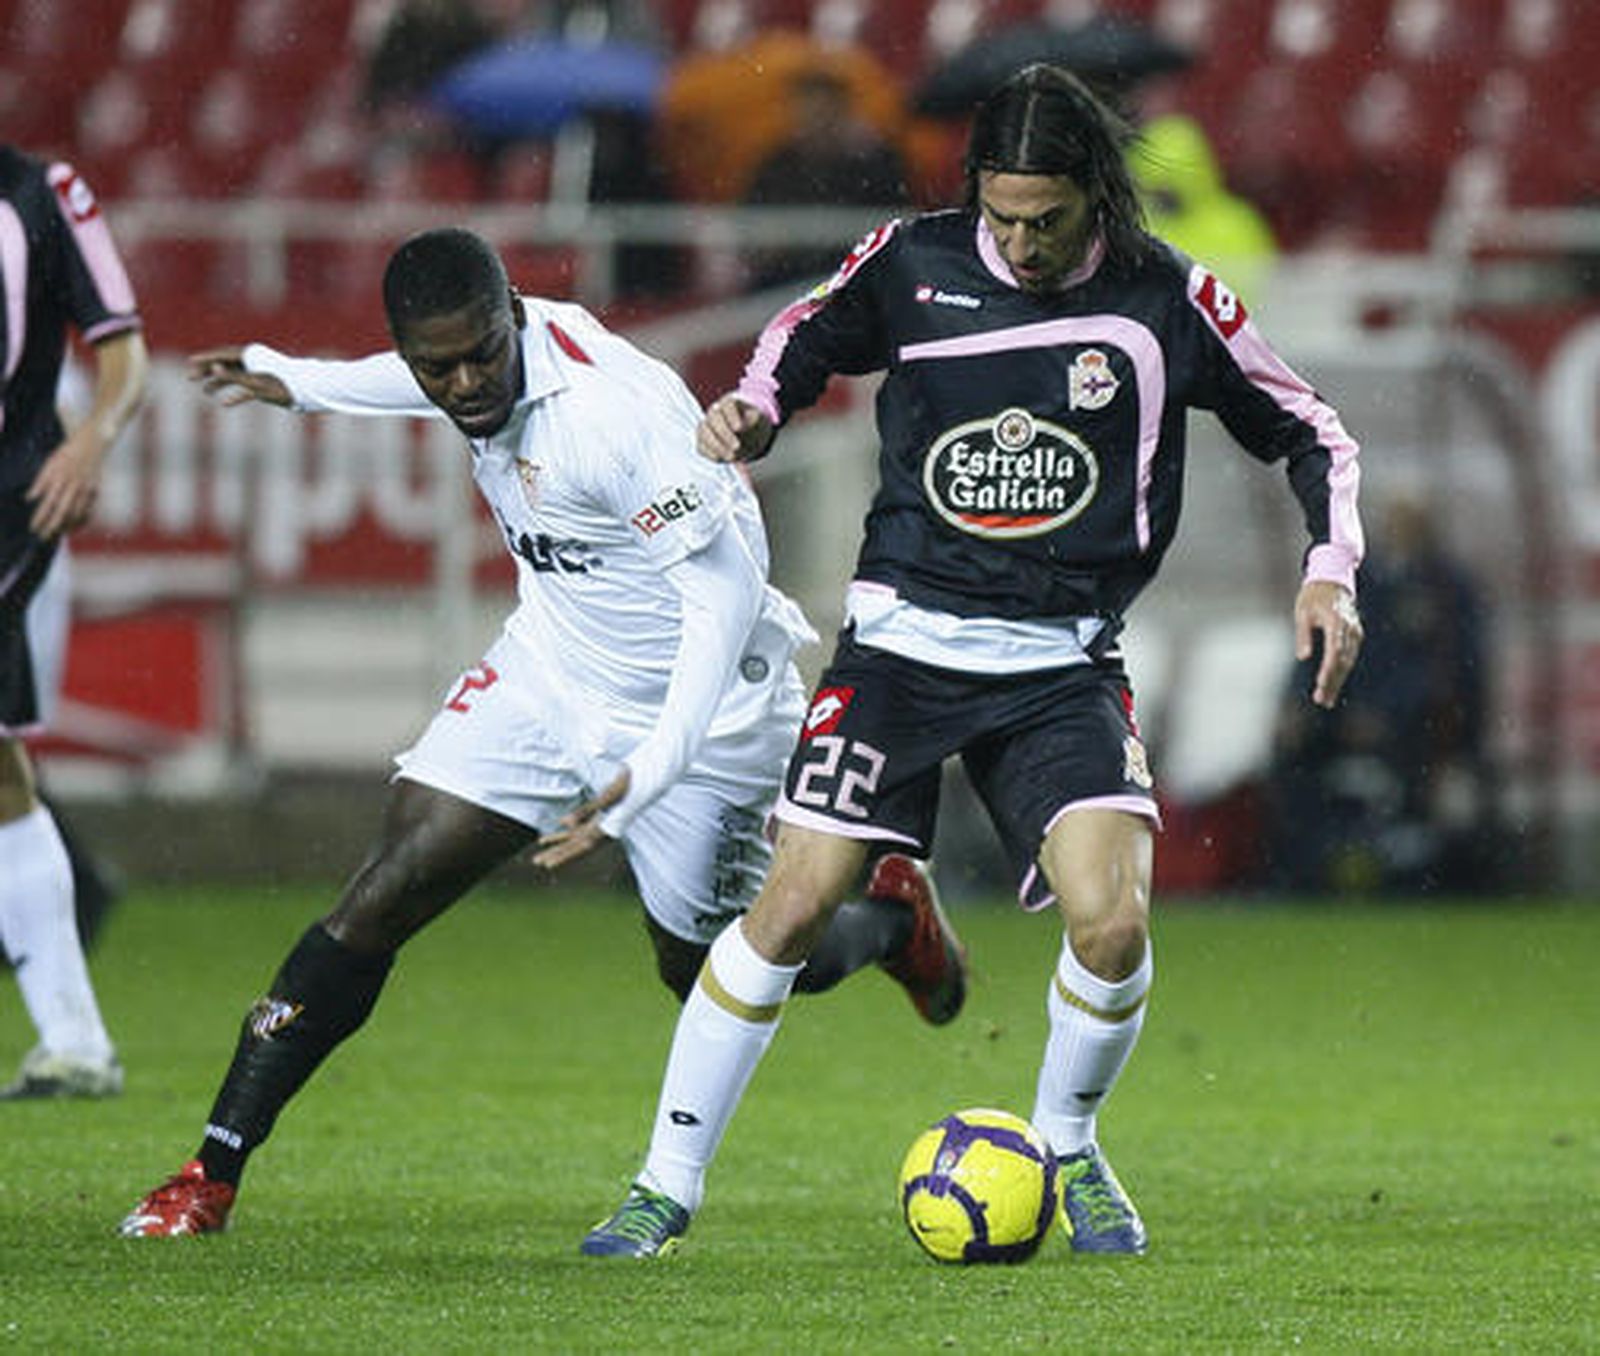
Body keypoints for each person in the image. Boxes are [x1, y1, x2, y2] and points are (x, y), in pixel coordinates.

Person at [580, 65, 1365, 1259]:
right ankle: (662, 1187)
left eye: (1044, 219)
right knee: (789, 906)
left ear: (1093, 195)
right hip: (899, 650)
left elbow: (1311, 429)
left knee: (1111, 928)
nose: (1019, 240)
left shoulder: (1168, 301)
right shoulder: (910, 261)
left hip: (1061, 668)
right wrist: (753, 408)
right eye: (1000, 214)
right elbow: (802, 334)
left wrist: (1330, 568)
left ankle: (1065, 1148)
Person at [118, 227, 965, 1237]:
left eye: (483, 351)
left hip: (703, 711)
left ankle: (882, 925)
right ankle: (209, 1173)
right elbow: (412, 374)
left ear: (514, 313)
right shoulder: (456, 362)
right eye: (441, 364)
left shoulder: (613, 418)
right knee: (383, 893)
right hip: (550, 672)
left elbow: (725, 599)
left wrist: (651, 771)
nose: (467, 381)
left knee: (705, 971)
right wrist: (290, 378)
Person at [1, 146, 147, 1100]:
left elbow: (124, 350)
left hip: (16, 494)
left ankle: (78, 1039)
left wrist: (91, 438)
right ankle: (78, 1041)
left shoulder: (40, 195)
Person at [1264, 490, 1491, 895]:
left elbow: (1452, 669)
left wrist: (1387, 712)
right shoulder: (1357, 581)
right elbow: (1313, 646)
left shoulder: (1446, 589)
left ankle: (1408, 873)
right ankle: (1301, 865)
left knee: (1418, 759)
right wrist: (1298, 704)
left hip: (1413, 722)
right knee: (1292, 759)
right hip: (1340, 710)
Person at [741, 67, 911, 292]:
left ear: (841, 110)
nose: (812, 119)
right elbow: (751, 219)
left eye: (821, 110)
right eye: (804, 109)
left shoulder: (874, 162)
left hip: (852, 276)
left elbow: (893, 223)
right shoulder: (779, 161)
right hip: (784, 277)